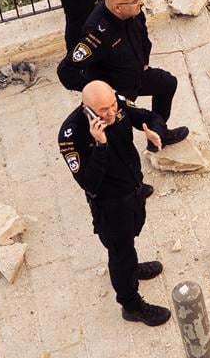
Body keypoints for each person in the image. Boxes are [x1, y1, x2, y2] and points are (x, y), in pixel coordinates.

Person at [57, 80, 171, 327]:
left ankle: (132, 267)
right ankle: (131, 305)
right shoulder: (71, 134)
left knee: (131, 236)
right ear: (86, 107)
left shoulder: (115, 104)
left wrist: (155, 132)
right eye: (103, 111)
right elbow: (89, 182)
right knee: (120, 252)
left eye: (111, 107)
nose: (110, 113)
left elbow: (148, 116)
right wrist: (100, 144)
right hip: (110, 205)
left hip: (132, 189)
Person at [55, 0, 190, 149]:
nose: (140, 2)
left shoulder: (133, 11)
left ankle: (158, 135)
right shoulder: (97, 34)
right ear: (117, 7)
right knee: (118, 136)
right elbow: (65, 71)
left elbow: (143, 35)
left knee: (168, 84)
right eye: (134, 0)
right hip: (117, 89)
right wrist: (99, 93)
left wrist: (144, 61)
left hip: (137, 75)